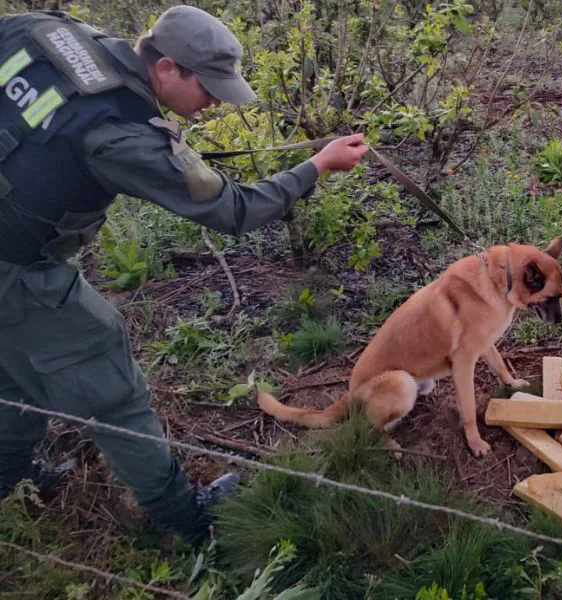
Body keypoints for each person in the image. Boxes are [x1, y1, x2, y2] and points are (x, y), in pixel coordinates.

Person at [0, 6, 368, 543]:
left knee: (15, 369)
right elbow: (233, 210)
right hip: (16, 268)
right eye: (211, 89)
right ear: (168, 67)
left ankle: (9, 477)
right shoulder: (116, 131)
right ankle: (185, 521)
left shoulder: (47, 31)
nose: (216, 102)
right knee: (107, 378)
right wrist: (317, 166)